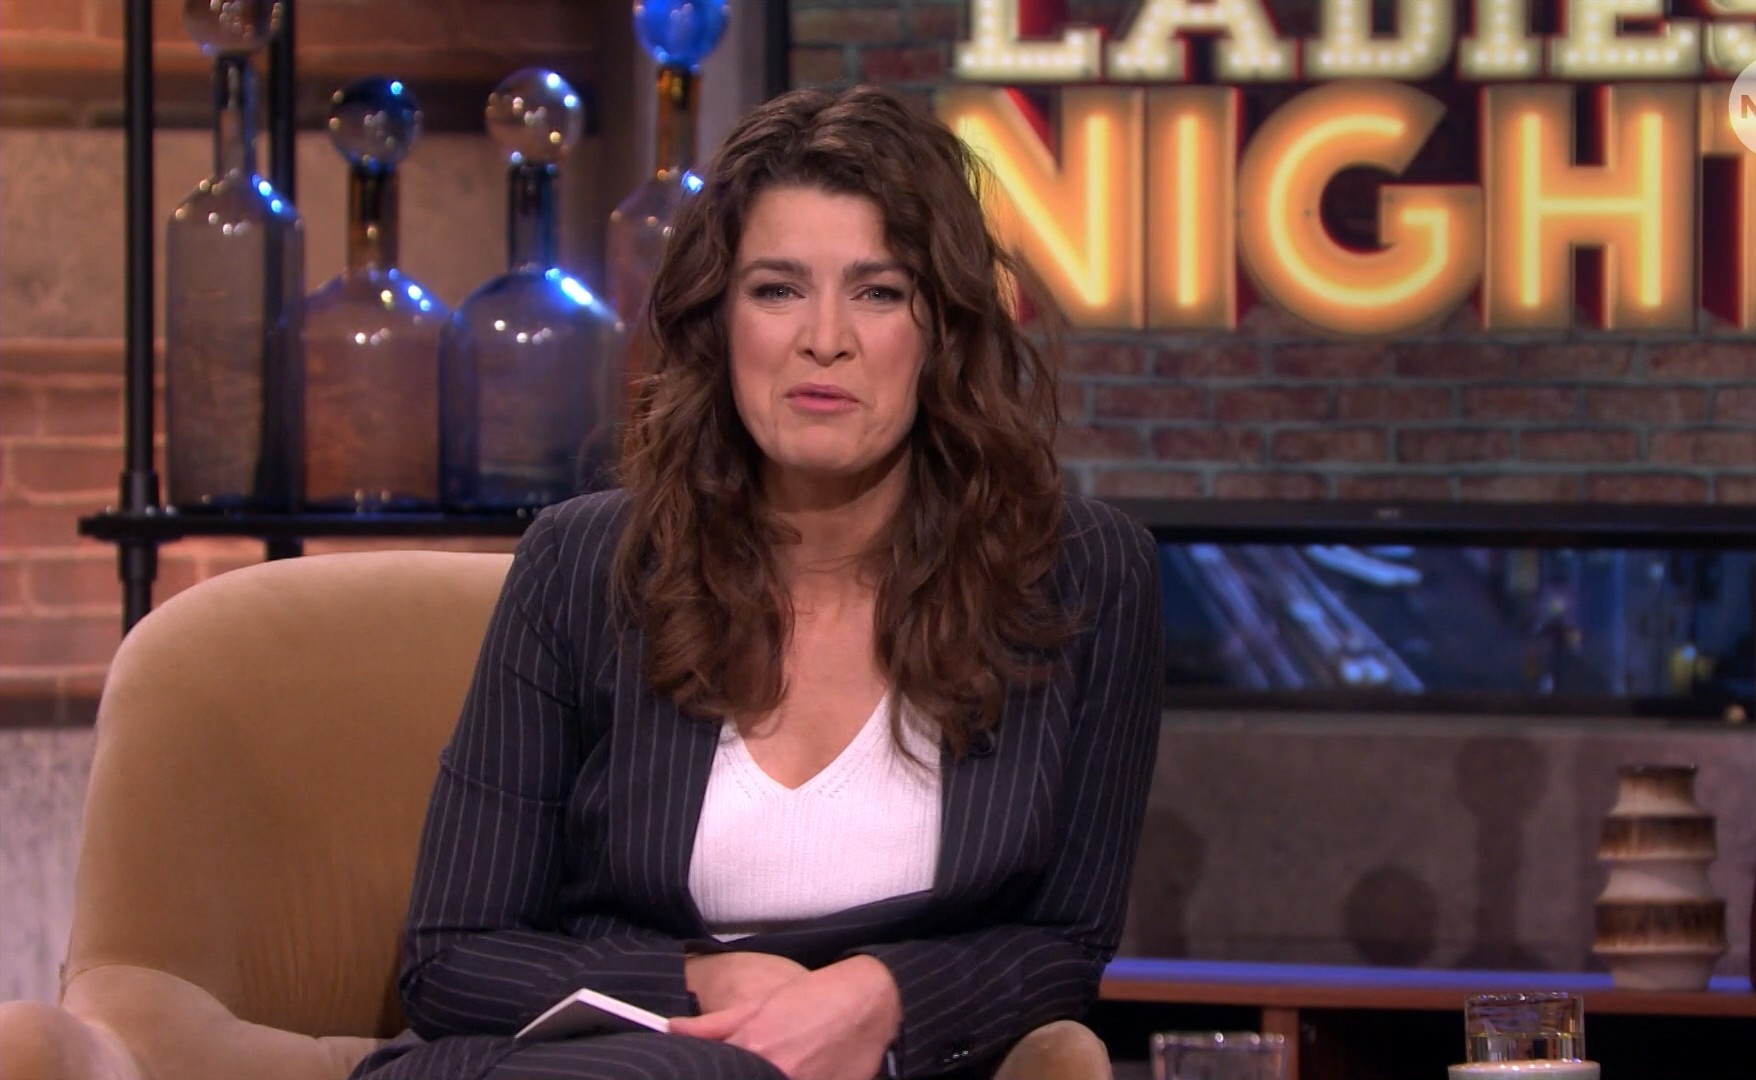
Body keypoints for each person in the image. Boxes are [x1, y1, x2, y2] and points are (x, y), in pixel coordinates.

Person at [351, 83, 1164, 1080]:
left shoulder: (1082, 575)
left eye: (878, 292)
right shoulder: (583, 565)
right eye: (777, 289)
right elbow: (452, 957)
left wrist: (883, 997)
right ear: (720, 322)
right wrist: (703, 982)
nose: (824, 337)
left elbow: (1066, 942)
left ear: (943, 331)